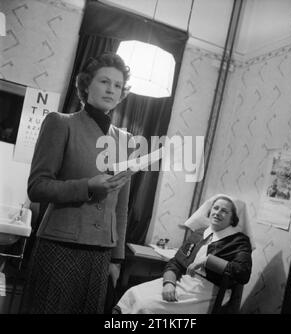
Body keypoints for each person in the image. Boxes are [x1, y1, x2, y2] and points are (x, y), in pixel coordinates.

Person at [21, 53, 135, 314]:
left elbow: (121, 207)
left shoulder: (127, 141)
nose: (111, 89)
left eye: (118, 85)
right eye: (105, 81)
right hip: (60, 247)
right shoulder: (60, 124)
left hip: (101, 256)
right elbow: (37, 186)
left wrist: (117, 258)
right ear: (86, 85)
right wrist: (87, 186)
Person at [114, 194, 253, 314]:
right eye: (215, 208)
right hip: (184, 281)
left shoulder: (239, 241)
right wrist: (169, 282)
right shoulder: (199, 233)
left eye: (224, 211)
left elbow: (243, 272)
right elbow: (176, 262)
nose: (217, 213)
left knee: (147, 306)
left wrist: (207, 261)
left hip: (208, 291)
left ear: (233, 219)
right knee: (133, 293)